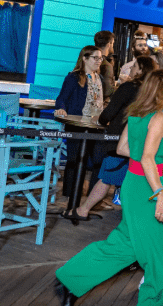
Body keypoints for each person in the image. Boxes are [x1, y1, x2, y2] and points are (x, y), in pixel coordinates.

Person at [54, 70, 163, 306]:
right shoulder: (160, 117)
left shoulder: (136, 113)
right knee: (158, 254)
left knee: (125, 244)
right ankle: (159, 302)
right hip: (149, 188)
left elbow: (122, 149)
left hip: (134, 183)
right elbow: (146, 158)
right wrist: (160, 194)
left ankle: (71, 279)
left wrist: (157, 159)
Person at [71, 56, 157, 220]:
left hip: (118, 140)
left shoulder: (128, 87)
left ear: (141, 70)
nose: (131, 70)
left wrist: (102, 119)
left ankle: (83, 210)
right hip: (140, 141)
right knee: (131, 179)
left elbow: (109, 113)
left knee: (106, 178)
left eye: (134, 67)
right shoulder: (152, 91)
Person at [55, 45, 105, 207]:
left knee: (98, 160)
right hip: (77, 124)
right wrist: (61, 108)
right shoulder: (74, 77)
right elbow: (61, 98)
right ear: (84, 58)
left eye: (101, 58)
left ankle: (94, 198)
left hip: (96, 126)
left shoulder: (100, 78)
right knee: (75, 159)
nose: (99, 61)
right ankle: (71, 197)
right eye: (95, 58)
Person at [94, 30, 116, 101]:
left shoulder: (88, 60)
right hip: (100, 105)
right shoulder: (106, 65)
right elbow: (107, 91)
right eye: (113, 43)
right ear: (109, 44)